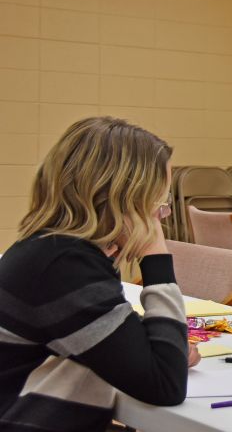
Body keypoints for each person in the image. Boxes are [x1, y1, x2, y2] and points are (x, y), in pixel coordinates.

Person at [0, 117, 201, 432]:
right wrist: (156, 255)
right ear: (125, 199)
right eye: (159, 203)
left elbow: (126, 349)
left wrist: (163, 354)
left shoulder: (50, 249)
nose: (162, 215)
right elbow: (166, 385)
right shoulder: (64, 267)